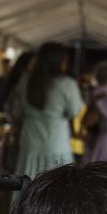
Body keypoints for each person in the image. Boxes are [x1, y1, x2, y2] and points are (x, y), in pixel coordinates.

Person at [14, 42, 82, 179]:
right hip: (57, 144)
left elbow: (16, 112)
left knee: (28, 187)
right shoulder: (67, 84)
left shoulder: (25, 80)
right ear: (61, 61)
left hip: (30, 145)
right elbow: (74, 111)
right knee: (58, 191)